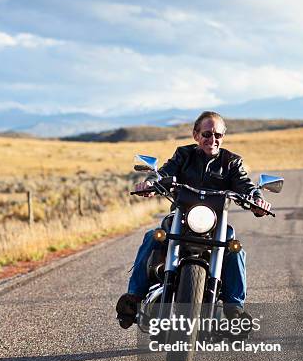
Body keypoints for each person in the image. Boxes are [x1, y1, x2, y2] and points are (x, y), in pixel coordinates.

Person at [116, 111, 271, 328]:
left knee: (235, 247)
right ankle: (133, 298)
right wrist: (151, 184)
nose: (213, 139)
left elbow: (246, 186)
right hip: (180, 220)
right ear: (196, 135)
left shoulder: (232, 162)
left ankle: (235, 308)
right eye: (207, 134)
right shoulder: (183, 155)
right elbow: (162, 173)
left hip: (215, 225)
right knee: (153, 237)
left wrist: (257, 200)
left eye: (218, 135)